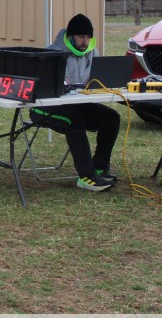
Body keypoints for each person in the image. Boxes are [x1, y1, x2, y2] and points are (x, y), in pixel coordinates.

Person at [30, 13, 120, 192]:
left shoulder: (93, 52)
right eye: (81, 37)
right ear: (70, 36)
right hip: (43, 107)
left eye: (88, 37)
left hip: (77, 104)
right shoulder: (52, 54)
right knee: (74, 118)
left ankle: (100, 167)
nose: (85, 41)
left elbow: (94, 82)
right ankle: (86, 176)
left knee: (111, 118)